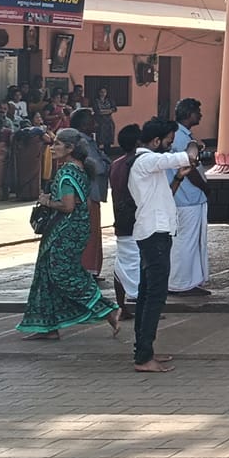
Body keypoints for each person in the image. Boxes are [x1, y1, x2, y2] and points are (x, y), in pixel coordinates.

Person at [17, 132, 122, 340]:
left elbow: (67, 206)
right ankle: (48, 326)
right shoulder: (80, 170)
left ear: (70, 148)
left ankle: (107, 309)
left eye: (57, 144)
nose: (52, 147)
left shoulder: (67, 173)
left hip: (65, 231)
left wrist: (47, 202)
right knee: (48, 274)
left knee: (63, 274)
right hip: (74, 230)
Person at [128, 119, 190, 372]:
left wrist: (178, 177)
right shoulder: (145, 161)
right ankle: (144, 356)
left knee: (147, 293)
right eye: (168, 142)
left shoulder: (147, 167)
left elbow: (166, 194)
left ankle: (144, 349)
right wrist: (190, 150)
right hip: (154, 235)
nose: (169, 147)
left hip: (155, 232)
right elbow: (177, 158)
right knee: (154, 295)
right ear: (155, 142)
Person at [56, 117, 110, 279]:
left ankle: (88, 268)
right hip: (89, 197)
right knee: (89, 233)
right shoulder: (81, 146)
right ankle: (86, 268)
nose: (95, 122)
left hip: (89, 196)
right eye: (90, 119)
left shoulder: (86, 144)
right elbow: (99, 166)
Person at [167, 99, 211, 296]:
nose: (200, 115)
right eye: (197, 112)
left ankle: (188, 280)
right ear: (188, 113)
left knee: (189, 240)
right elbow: (189, 169)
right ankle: (181, 283)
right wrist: (204, 186)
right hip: (187, 198)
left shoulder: (180, 135)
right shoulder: (180, 138)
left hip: (187, 197)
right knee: (186, 241)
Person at [108, 125, 142, 310]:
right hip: (135, 218)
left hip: (120, 217)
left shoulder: (116, 164)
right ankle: (140, 304)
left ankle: (121, 306)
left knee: (121, 264)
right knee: (139, 263)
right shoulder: (136, 163)